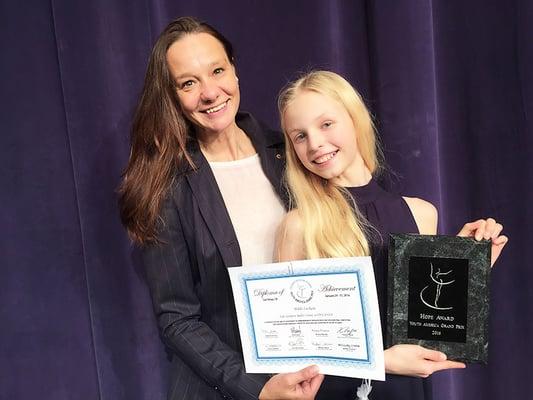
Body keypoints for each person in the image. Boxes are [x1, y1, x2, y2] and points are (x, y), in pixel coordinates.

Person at [118, 17, 323, 400]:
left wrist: (451, 251)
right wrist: (257, 389)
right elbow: (178, 319)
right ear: (171, 95)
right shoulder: (166, 186)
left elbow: (356, 234)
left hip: (313, 383)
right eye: (188, 83)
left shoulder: (290, 152)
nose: (210, 93)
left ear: (235, 70)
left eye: (217, 71)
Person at [275, 70, 508, 399]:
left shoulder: (421, 213)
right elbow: (291, 352)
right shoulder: (298, 225)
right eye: (299, 136)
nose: (315, 143)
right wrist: (380, 361)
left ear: (355, 120)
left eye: (326, 124)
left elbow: (425, 328)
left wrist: (469, 268)